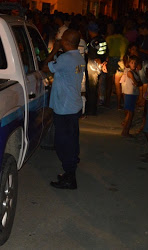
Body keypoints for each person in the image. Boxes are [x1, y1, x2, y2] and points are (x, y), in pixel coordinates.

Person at [42, 29, 85, 190]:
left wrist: (53, 50)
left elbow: (45, 67)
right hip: (73, 105)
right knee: (72, 140)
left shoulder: (65, 58)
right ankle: (70, 170)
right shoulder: (79, 57)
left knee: (62, 143)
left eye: (61, 40)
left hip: (65, 107)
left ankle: (70, 177)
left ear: (66, 42)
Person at [86, 22, 107, 115]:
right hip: (100, 65)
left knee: (92, 88)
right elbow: (105, 53)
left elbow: (94, 55)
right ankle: (93, 108)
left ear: (90, 31)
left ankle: (91, 109)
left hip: (93, 66)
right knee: (96, 86)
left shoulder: (92, 42)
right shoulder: (103, 40)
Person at [120, 55, 141, 137]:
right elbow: (137, 83)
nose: (134, 64)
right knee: (130, 113)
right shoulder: (129, 72)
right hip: (130, 94)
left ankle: (125, 131)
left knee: (130, 113)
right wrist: (138, 83)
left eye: (135, 63)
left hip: (133, 93)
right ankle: (125, 132)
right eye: (132, 63)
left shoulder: (134, 71)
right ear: (129, 63)